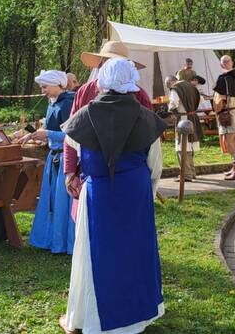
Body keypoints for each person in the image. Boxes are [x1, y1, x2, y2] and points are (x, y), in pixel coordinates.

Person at [61, 58, 166, 334]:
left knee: (95, 256)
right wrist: (147, 192)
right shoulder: (145, 117)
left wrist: (72, 174)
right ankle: (134, 320)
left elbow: (73, 146)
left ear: (102, 79)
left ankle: (87, 318)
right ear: (131, 80)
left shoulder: (83, 116)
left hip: (99, 196)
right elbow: (155, 166)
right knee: (134, 254)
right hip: (134, 194)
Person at [63, 41, 152, 179]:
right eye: (108, 62)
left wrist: (149, 173)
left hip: (130, 170)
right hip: (90, 172)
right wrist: (70, 171)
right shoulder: (84, 92)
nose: (112, 67)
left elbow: (149, 137)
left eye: (116, 63)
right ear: (101, 64)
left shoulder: (139, 95)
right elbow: (72, 133)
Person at [19, 70, 75, 254]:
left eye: (45, 86)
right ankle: (51, 239)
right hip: (54, 156)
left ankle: (65, 242)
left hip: (66, 157)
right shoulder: (52, 103)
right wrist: (35, 135)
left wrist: (48, 134)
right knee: (51, 199)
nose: (42, 90)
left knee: (61, 201)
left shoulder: (68, 103)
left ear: (57, 84)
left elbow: (73, 134)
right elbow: (49, 129)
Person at [165, 75, 202, 182]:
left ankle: (186, 174)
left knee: (181, 148)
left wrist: (173, 114)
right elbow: (201, 99)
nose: (169, 88)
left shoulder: (175, 88)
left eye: (168, 85)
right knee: (189, 146)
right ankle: (192, 172)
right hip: (193, 118)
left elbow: (173, 104)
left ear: (171, 82)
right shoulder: (191, 86)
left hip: (183, 119)